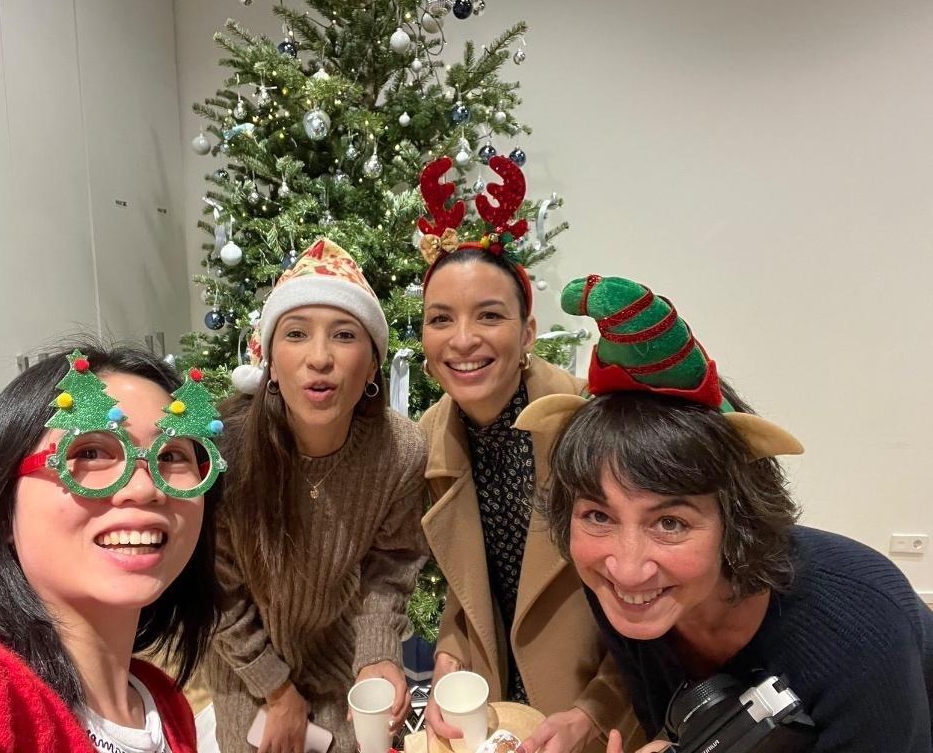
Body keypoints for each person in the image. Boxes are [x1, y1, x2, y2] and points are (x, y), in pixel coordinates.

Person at [524, 273, 933, 753]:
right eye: (598, 516)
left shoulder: (860, 630)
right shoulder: (625, 592)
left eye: (670, 523)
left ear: (737, 522)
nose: (627, 567)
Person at [416, 156, 643, 753]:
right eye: (441, 319)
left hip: (598, 711)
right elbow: (469, 586)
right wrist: (448, 659)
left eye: (489, 316)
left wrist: (594, 712)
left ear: (527, 334)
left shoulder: (590, 424)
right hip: (496, 717)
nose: (463, 339)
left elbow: (651, 591)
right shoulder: (431, 439)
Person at [0, 344, 224, 752]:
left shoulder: (163, 703)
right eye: (90, 452)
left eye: (173, 456)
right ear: (2, 511)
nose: (145, 488)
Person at [203, 238, 428, 753]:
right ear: (270, 362)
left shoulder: (400, 450)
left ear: (372, 366)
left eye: (344, 335)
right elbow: (217, 592)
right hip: (244, 665)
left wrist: (378, 653)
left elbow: (391, 564)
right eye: (296, 334)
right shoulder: (223, 448)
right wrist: (276, 691)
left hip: (339, 655)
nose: (320, 358)